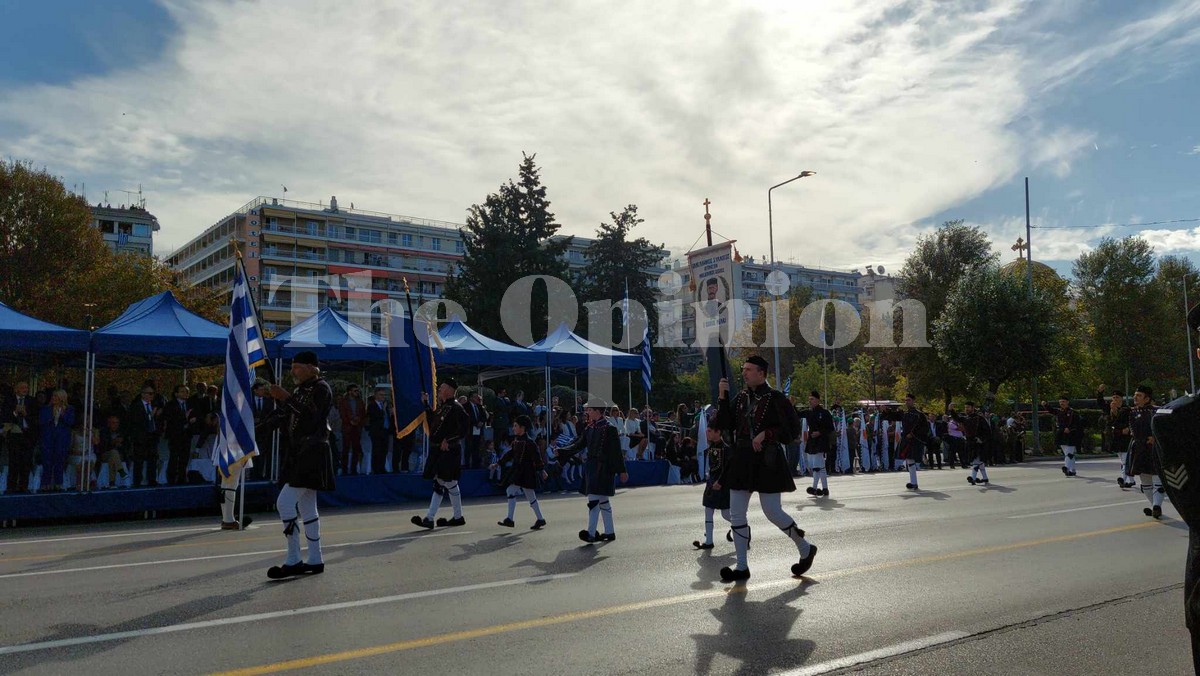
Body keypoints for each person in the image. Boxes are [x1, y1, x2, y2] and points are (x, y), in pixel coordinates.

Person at [712, 356, 817, 582]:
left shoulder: (776, 398)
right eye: (743, 369)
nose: (744, 373)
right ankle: (741, 567)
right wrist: (722, 396)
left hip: (766, 461)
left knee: (773, 512)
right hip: (741, 459)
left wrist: (767, 433)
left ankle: (805, 548)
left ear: (761, 373)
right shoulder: (739, 398)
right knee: (737, 513)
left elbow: (791, 431)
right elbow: (723, 425)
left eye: (749, 369)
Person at [260, 351, 336, 579]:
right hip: (299, 452)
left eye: (298, 367)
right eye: (292, 367)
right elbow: (283, 416)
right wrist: (254, 430)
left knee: (284, 503)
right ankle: (315, 558)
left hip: (312, 451)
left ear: (312, 367)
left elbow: (310, 415)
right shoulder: (300, 390)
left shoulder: (321, 388)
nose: (293, 371)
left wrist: (285, 397)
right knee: (307, 507)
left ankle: (293, 559)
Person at [552, 397, 628, 543]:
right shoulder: (590, 428)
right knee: (602, 500)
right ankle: (610, 532)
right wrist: (562, 451)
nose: (587, 412)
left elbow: (616, 452)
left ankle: (591, 534)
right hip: (592, 467)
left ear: (598, 411)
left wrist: (622, 470)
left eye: (590, 409)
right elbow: (578, 444)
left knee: (593, 500)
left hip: (604, 468)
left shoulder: (609, 428)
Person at [412, 378, 470, 529]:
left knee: (441, 482)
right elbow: (433, 424)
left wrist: (449, 440)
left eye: (442, 387)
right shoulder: (442, 407)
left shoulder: (456, 407)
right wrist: (426, 403)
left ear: (450, 390)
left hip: (449, 450)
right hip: (438, 449)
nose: (439, 390)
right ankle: (457, 517)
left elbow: (464, 428)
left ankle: (430, 518)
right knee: (448, 482)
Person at [492, 415, 547, 530]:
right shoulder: (517, 440)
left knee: (511, 491)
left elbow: (537, 457)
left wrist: (542, 470)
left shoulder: (529, 442)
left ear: (523, 428)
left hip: (526, 472)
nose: (513, 428)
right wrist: (499, 463)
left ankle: (510, 519)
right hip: (519, 471)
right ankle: (540, 519)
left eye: (515, 426)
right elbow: (510, 454)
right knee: (530, 496)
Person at [693, 408, 731, 550]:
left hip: (722, 484)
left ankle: (742, 529)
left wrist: (720, 482)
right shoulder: (711, 447)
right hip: (711, 483)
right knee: (708, 510)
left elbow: (727, 468)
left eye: (710, 431)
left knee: (726, 514)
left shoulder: (726, 449)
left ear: (718, 432)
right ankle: (709, 541)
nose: (707, 433)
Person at [1129, 385, 1164, 520]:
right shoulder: (1132, 412)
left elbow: (1165, 427)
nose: (1135, 398)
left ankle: (1157, 505)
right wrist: (1145, 439)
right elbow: (1134, 431)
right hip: (1140, 448)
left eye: (1139, 395)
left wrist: (1156, 437)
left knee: (1157, 479)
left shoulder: (1158, 411)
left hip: (1155, 449)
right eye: (1135, 395)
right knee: (1145, 481)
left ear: (1147, 398)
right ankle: (1155, 506)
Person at [1097, 385, 1133, 489]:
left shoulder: (1126, 409)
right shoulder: (1109, 409)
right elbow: (1100, 403)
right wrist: (1100, 393)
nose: (1115, 399)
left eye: (1117, 398)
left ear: (1121, 399)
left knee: (1125, 460)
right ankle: (1131, 480)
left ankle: (1123, 478)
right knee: (1122, 459)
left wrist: (1128, 429)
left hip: (1124, 437)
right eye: (1113, 398)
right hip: (1114, 437)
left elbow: (1131, 422)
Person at [38, 389, 75, 492]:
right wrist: (52, 415)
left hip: (62, 439)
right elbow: (41, 422)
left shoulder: (69, 409)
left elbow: (71, 422)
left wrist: (62, 414)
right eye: (53, 396)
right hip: (48, 438)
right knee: (47, 461)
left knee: (60, 460)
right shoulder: (46, 409)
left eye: (56, 397)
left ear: (62, 398)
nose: (53, 398)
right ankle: (46, 483)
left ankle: (58, 483)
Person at [4, 382, 36, 493]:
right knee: (14, 462)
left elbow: (36, 418)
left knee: (26, 462)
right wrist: (15, 412)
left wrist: (26, 414)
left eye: (26, 387)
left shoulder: (32, 401)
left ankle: (24, 486)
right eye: (22, 387)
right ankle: (11, 487)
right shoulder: (9, 400)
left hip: (27, 435)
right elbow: (4, 416)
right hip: (14, 434)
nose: (25, 389)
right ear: (16, 389)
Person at [163, 385, 197, 486]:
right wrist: (185, 418)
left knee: (184, 458)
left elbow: (196, 416)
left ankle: (182, 478)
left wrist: (191, 421)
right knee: (174, 458)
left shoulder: (190, 403)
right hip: (175, 435)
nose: (185, 394)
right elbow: (170, 419)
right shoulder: (170, 405)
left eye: (186, 392)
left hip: (186, 435)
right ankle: (171, 479)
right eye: (182, 392)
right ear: (176, 393)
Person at [1042, 395, 1083, 477]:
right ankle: (1072, 470)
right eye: (1060, 402)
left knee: (1069, 453)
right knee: (1068, 453)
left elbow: (1078, 424)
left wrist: (1070, 429)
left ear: (1067, 402)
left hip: (1071, 434)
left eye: (1063, 402)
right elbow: (1051, 410)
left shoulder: (1073, 412)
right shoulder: (1059, 411)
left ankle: (1066, 468)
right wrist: (1045, 405)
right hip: (1061, 434)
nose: (1062, 404)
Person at [803, 391, 834, 498]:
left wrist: (820, 432)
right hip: (812, 441)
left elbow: (831, 428)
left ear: (817, 400)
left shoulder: (825, 413)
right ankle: (825, 488)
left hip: (821, 441)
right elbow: (796, 414)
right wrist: (790, 405)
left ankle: (814, 488)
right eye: (809, 399)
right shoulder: (809, 412)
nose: (810, 401)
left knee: (817, 465)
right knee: (820, 465)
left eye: (812, 399)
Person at [338, 385, 366, 475]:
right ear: (350, 391)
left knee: (356, 449)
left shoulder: (360, 401)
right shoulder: (343, 401)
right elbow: (342, 414)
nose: (357, 392)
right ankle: (344, 469)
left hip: (357, 427)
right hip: (347, 427)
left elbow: (363, 414)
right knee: (345, 449)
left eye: (357, 391)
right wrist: (350, 421)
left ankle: (354, 469)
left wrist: (358, 420)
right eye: (355, 391)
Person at [367, 388, 394, 474]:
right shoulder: (372, 405)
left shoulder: (385, 405)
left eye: (384, 395)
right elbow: (374, 417)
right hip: (376, 432)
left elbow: (387, 417)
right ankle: (376, 468)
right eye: (381, 395)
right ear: (376, 395)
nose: (383, 397)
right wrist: (383, 410)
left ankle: (382, 468)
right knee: (377, 450)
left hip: (385, 431)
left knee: (384, 450)